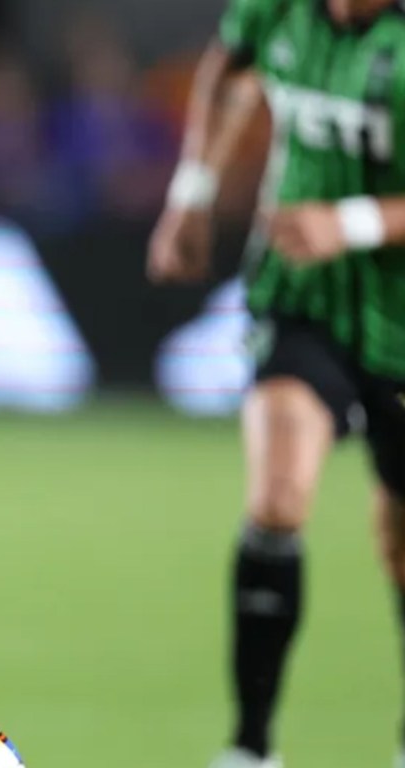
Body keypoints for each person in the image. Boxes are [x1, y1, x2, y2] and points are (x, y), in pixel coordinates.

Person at [149, 1, 405, 766]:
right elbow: (231, 70)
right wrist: (194, 190)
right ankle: (251, 748)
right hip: (299, 298)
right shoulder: (279, 8)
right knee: (278, 501)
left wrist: (351, 224)